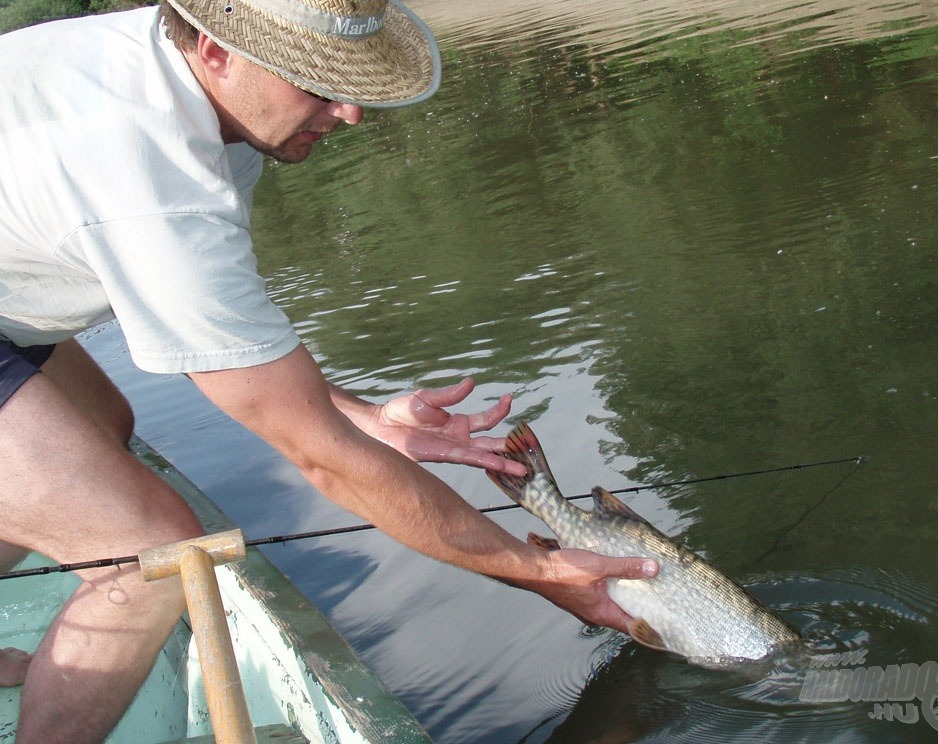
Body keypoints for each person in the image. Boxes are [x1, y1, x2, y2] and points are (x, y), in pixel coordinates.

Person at [0, 1, 659, 740]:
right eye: (317, 84)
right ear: (218, 50)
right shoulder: (151, 179)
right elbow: (325, 461)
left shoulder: (197, 90)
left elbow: (217, 348)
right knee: (155, 555)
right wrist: (537, 572)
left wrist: (367, 420)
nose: (348, 113)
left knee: (103, 428)